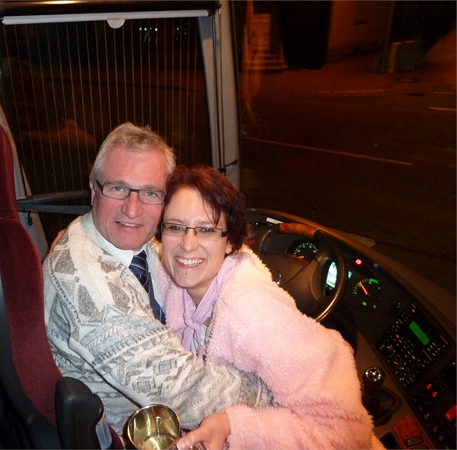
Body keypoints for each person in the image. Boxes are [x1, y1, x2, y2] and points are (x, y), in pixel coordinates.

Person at [43, 123, 274, 437]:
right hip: (127, 433)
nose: (132, 209)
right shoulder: (90, 285)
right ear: (94, 190)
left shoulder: (133, 246)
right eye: (118, 188)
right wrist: (271, 390)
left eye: (150, 193)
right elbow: (180, 389)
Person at [157, 165, 382, 450]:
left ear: (230, 242)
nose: (188, 244)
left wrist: (234, 428)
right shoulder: (171, 280)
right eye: (175, 227)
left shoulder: (251, 313)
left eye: (206, 230)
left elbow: (347, 433)